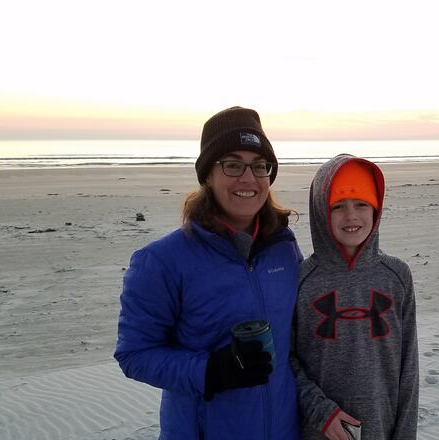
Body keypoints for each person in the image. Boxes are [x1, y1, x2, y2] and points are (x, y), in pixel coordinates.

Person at [114, 106, 302, 439]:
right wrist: (212, 371)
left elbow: (300, 342)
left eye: (259, 165)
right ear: (207, 176)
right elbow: (135, 354)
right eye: (232, 165)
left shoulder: (284, 249)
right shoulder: (161, 261)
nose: (248, 178)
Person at [291, 154, 419, 440]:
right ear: (321, 211)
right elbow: (287, 361)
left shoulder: (397, 276)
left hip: (383, 429)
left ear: (376, 208)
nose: (351, 216)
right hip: (317, 432)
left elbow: (409, 369)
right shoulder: (301, 280)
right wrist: (321, 412)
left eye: (361, 204)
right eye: (338, 207)